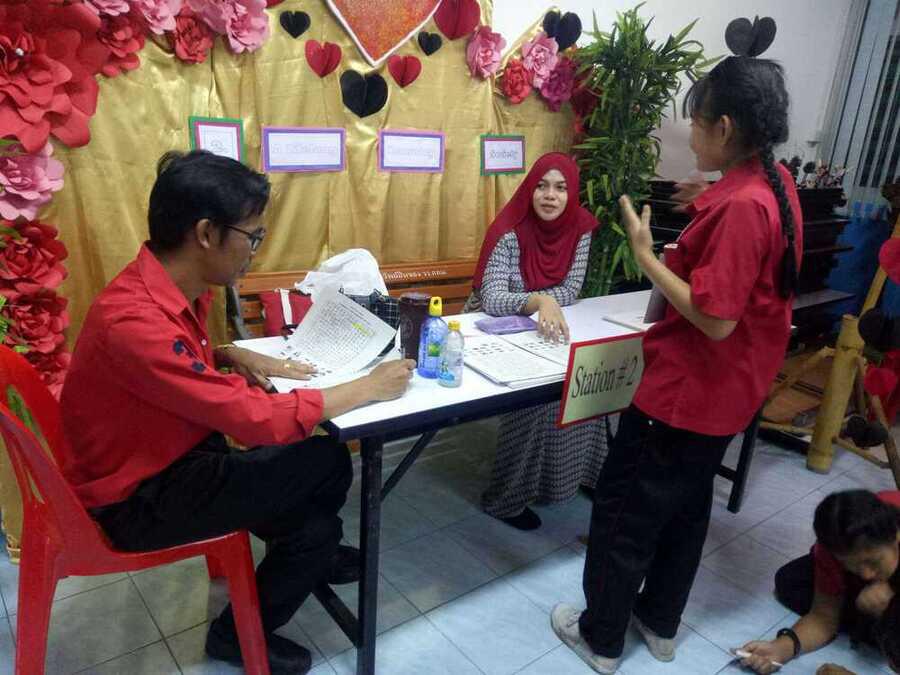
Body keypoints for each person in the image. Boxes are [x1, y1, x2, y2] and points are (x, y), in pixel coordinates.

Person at [59, 150, 415, 675]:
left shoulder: (165, 289)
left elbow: (175, 372)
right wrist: (367, 387)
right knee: (327, 458)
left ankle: (313, 554)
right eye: (253, 236)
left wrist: (228, 354)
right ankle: (235, 633)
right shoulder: (133, 321)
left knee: (313, 528)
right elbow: (252, 419)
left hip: (164, 457)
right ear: (206, 233)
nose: (254, 250)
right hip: (137, 498)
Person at [550, 55, 803, 674]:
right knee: (686, 510)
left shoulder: (744, 206)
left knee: (625, 513)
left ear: (724, 126)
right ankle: (659, 623)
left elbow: (716, 319)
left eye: (694, 123)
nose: (689, 136)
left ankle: (601, 638)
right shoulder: (772, 182)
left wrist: (646, 257)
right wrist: (705, 200)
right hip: (730, 395)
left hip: (685, 395)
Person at [464, 152, 605, 530]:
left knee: (588, 378)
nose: (550, 195)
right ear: (530, 189)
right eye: (541, 186)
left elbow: (571, 289)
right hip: (488, 328)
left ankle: (582, 476)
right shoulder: (509, 230)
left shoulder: (580, 228)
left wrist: (545, 302)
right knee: (534, 398)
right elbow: (492, 299)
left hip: (543, 326)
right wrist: (540, 300)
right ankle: (506, 500)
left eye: (560, 187)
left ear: (571, 193)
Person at [737, 489, 900, 674]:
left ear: (896, 537)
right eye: (853, 565)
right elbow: (823, 618)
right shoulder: (835, 544)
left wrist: (892, 587)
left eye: (874, 562)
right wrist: (781, 648)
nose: (866, 574)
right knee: (790, 581)